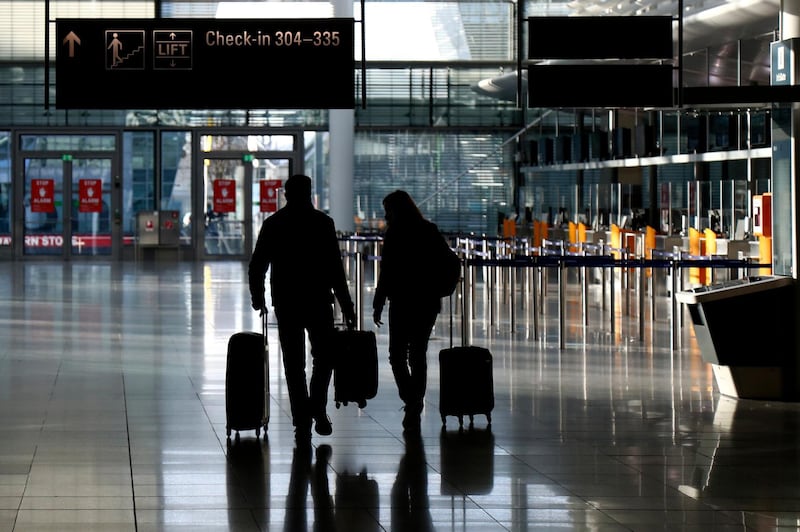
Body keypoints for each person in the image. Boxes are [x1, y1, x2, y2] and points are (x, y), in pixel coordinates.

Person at [249, 174, 356, 447]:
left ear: (286, 194)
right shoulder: (323, 223)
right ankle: (317, 406)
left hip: (287, 302)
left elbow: (257, 264)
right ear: (310, 193)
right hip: (319, 300)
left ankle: (302, 421)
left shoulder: (274, 224)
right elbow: (335, 269)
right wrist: (347, 305)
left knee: (293, 364)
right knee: (324, 357)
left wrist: (258, 297)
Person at [372, 189, 449, 433]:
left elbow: (388, 271)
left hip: (403, 301)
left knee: (397, 354)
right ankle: (415, 398)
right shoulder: (429, 229)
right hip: (427, 302)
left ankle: (411, 398)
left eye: (387, 210)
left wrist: (379, 301)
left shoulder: (395, 233)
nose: (386, 215)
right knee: (418, 352)